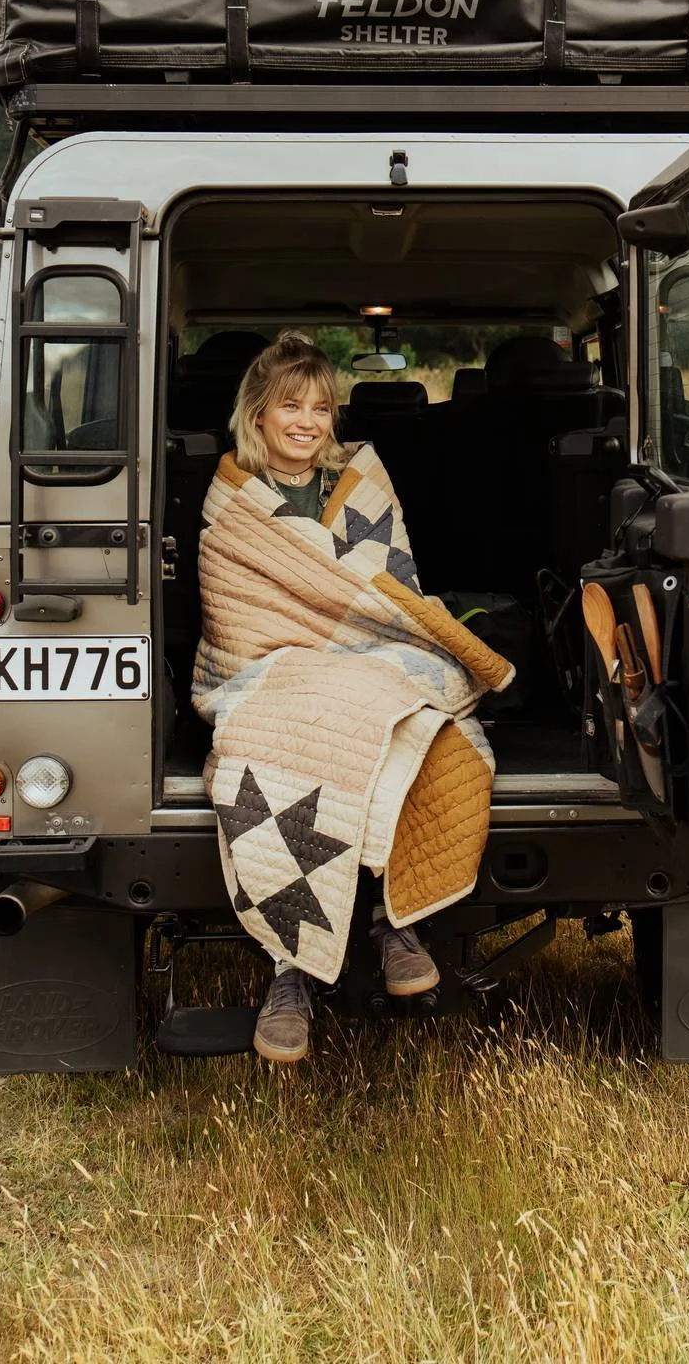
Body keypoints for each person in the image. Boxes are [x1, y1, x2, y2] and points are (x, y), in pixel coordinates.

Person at [220, 330, 441, 1063]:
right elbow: (235, 605)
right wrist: (302, 653)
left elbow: (390, 586)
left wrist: (355, 646)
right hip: (265, 662)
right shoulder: (234, 499)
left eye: (321, 407)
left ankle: (390, 917)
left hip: (367, 648)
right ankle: (292, 966)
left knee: (413, 721)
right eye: (291, 405)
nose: (308, 421)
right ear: (259, 415)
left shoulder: (360, 479)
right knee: (269, 742)